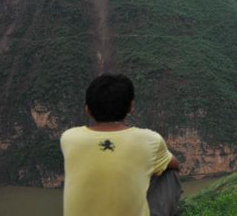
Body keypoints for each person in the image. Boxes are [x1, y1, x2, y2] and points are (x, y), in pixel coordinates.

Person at [60, 74, 182, 216]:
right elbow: (175, 165)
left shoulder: (69, 138)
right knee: (167, 172)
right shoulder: (150, 140)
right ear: (131, 107)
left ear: (88, 110)